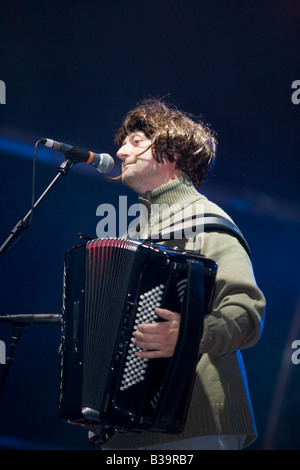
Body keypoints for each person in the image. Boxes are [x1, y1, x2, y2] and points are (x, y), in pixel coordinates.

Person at [90, 97, 266, 450]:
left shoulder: (206, 220)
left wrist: (188, 335)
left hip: (194, 424)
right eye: (123, 144)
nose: (122, 153)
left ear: (170, 153)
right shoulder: (135, 235)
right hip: (126, 430)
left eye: (135, 142)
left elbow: (246, 314)